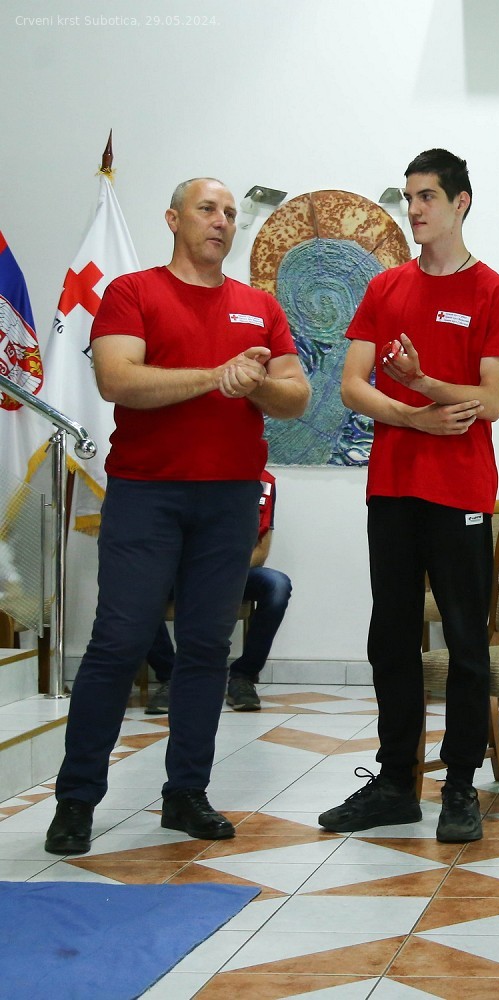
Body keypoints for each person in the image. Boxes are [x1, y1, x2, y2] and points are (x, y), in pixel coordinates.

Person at [45, 177, 309, 855]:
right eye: (207, 209)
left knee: (206, 649)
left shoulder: (258, 305)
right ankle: (77, 798)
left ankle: (186, 792)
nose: (221, 221)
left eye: (229, 213)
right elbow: (117, 379)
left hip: (229, 500)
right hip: (147, 495)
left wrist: (257, 383)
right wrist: (216, 376)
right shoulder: (133, 292)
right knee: (119, 642)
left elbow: (296, 396)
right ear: (173, 218)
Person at [321, 148, 499, 845]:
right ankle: (395, 782)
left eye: (427, 196)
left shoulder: (494, 293)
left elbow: (492, 401)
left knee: (466, 639)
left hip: (460, 490)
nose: (414, 210)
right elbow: (352, 385)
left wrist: (423, 384)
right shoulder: (385, 289)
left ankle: (460, 784)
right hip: (393, 487)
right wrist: (414, 416)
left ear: (461, 202)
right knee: (391, 636)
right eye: (408, 197)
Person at [145, 469, 291, 714]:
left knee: (277, 585)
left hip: (234, 569)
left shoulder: (263, 481)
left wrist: (218, 571)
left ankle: (243, 676)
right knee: (141, 587)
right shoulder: (182, 472)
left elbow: (260, 552)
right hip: (178, 569)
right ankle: (170, 676)